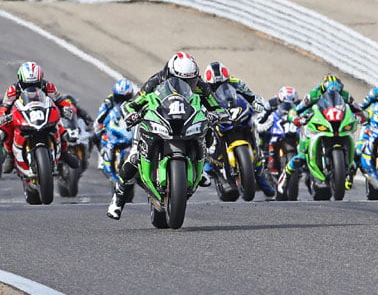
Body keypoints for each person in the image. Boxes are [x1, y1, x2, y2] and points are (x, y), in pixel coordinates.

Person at [106, 53, 225, 219]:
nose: (188, 85)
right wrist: (131, 114)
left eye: (190, 81)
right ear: (170, 74)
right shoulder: (155, 82)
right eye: (183, 80)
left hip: (185, 121)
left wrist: (217, 114)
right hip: (157, 121)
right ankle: (118, 200)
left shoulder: (200, 86)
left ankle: (201, 165)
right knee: (133, 157)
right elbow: (133, 103)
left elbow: (217, 106)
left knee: (208, 130)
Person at [276, 74, 363, 195]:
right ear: (323, 88)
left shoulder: (345, 95)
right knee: (300, 156)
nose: (334, 93)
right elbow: (296, 110)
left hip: (337, 124)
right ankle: (284, 179)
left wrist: (362, 116)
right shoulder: (313, 94)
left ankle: (356, 174)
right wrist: (295, 118)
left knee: (360, 153)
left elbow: (357, 109)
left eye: (337, 91)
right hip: (314, 124)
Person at [200, 61, 274, 198]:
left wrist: (259, 104)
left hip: (236, 114)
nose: (218, 86)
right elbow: (198, 102)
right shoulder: (204, 88)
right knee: (202, 138)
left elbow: (251, 96)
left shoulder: (236, 83)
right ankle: (208, 167)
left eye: (223, 83)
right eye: (215, 85)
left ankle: (264, 183)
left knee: (258, 133)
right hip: (218, 118)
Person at [0, 61, 80, 174]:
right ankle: (10, 155)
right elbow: (4, 108)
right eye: (27, 85)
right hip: (21, 116)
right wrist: (1, 117)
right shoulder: (12, 90)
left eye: (35, 84)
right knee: (5, 130)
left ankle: (63, 152)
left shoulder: (48, 86)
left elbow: (61, 102)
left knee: (60, 127)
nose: (32, 88)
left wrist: (68, 109)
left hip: (44, 113)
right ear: (21, 80)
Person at [256, 85, 301, 173]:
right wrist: (263, 119)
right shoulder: (272, 102)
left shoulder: (299, 104)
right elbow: (262, 115)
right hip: (276, 126)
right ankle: (262, 157)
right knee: (261, 134)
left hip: (291, 128)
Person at [94, 78, 136, 169]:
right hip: (112, 124)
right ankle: (101, 154)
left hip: (127, 126)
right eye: (119, 97)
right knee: (95, 133)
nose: (122, 100)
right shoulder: (109, 101)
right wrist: (100, 124)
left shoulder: (135, 101)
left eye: (125, 97)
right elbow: (100, 115)